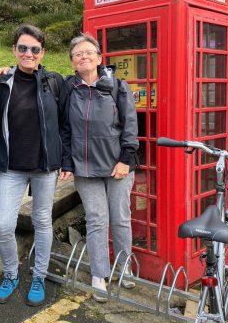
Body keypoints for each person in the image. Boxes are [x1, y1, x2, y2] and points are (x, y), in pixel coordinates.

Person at [0, 24, 71, 307]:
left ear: (42, 52)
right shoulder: (1, 83)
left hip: (45, 167)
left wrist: (65, 160)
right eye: (23, 48)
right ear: (14, 50)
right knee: (3, 226)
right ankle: (11, 274)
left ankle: (39, 275)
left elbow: (65, 125)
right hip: (12, 167)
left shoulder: (54, 82)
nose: (28, 53)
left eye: (34, 49)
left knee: (42, 221)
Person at [61, 33, 139, 302]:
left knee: (120, 218)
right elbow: (65, 129)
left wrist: (126, 160)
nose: (83, 57)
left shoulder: (117, 87)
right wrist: (67, 162)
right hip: (85, 168)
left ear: (99, 57)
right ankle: (99, 274)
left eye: (88, 52)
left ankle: (124, 266)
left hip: (117, 165)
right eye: (78, 54)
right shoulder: (69, 89)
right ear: (72, 61)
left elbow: (130, 126)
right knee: (96, 221)